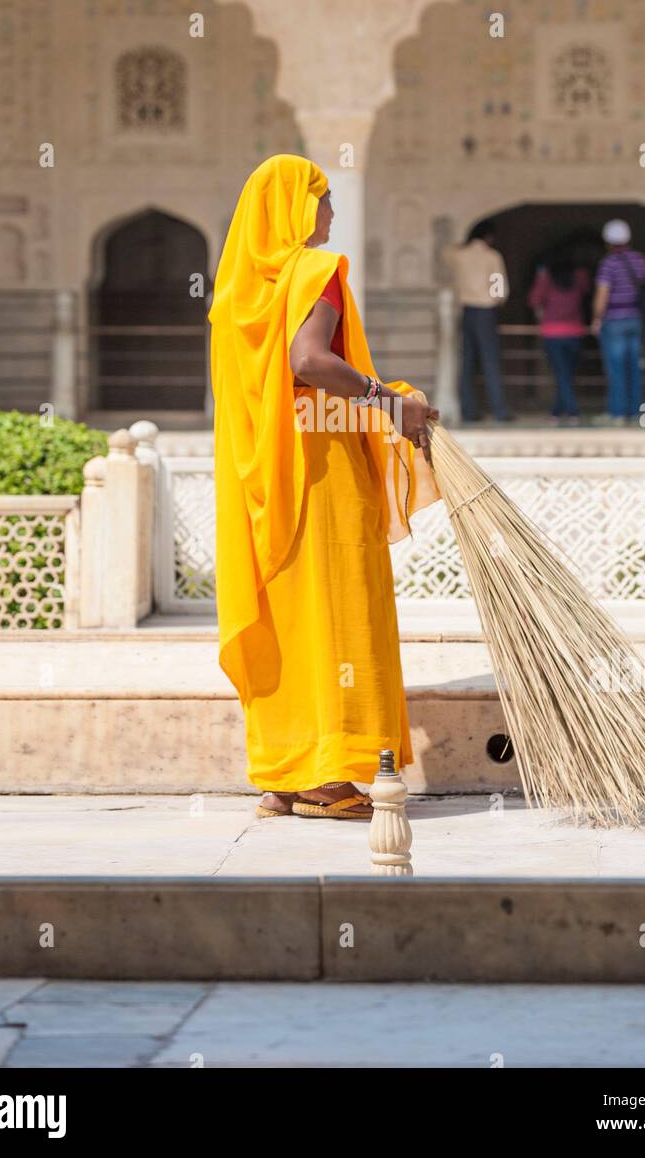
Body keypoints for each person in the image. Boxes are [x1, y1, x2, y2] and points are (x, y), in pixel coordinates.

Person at [208, 154, 440, 822]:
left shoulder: (235, 298)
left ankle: (284, 773)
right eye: (324, 197)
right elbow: (308, 361)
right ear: (296, 208)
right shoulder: (317, 272)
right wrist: (390, 404)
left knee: (287, 619)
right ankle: (332, 775)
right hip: (321, 474)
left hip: (263, 486)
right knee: (340, 612)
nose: (332, 210)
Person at [590, 219, 645, 425]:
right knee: (634, 368)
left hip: (613, 322)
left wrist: (597, 317)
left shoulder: (608, 264)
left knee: (616, 369)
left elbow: (602, 294)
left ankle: (617, 414)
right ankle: (635, 413)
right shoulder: (638, 260)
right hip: (635, 320)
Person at [451, 223, 513, 424]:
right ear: (488, 237)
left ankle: (468, 410)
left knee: (467, 362)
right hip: (485, 311)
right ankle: (499, 410)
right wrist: (498, 301)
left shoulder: (459, 256)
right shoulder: (491, 256)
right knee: (490, 361)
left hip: (467, 310)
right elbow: (498, 288)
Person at [527, 251, 591, 425]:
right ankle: (556, 412)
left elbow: (533, 300)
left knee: (562, 374)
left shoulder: (547, 277)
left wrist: (540, 276)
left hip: (552, 333)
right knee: (567, 374)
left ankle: (572, 412)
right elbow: (587, 292)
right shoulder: (580, 277)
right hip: (575, 332)